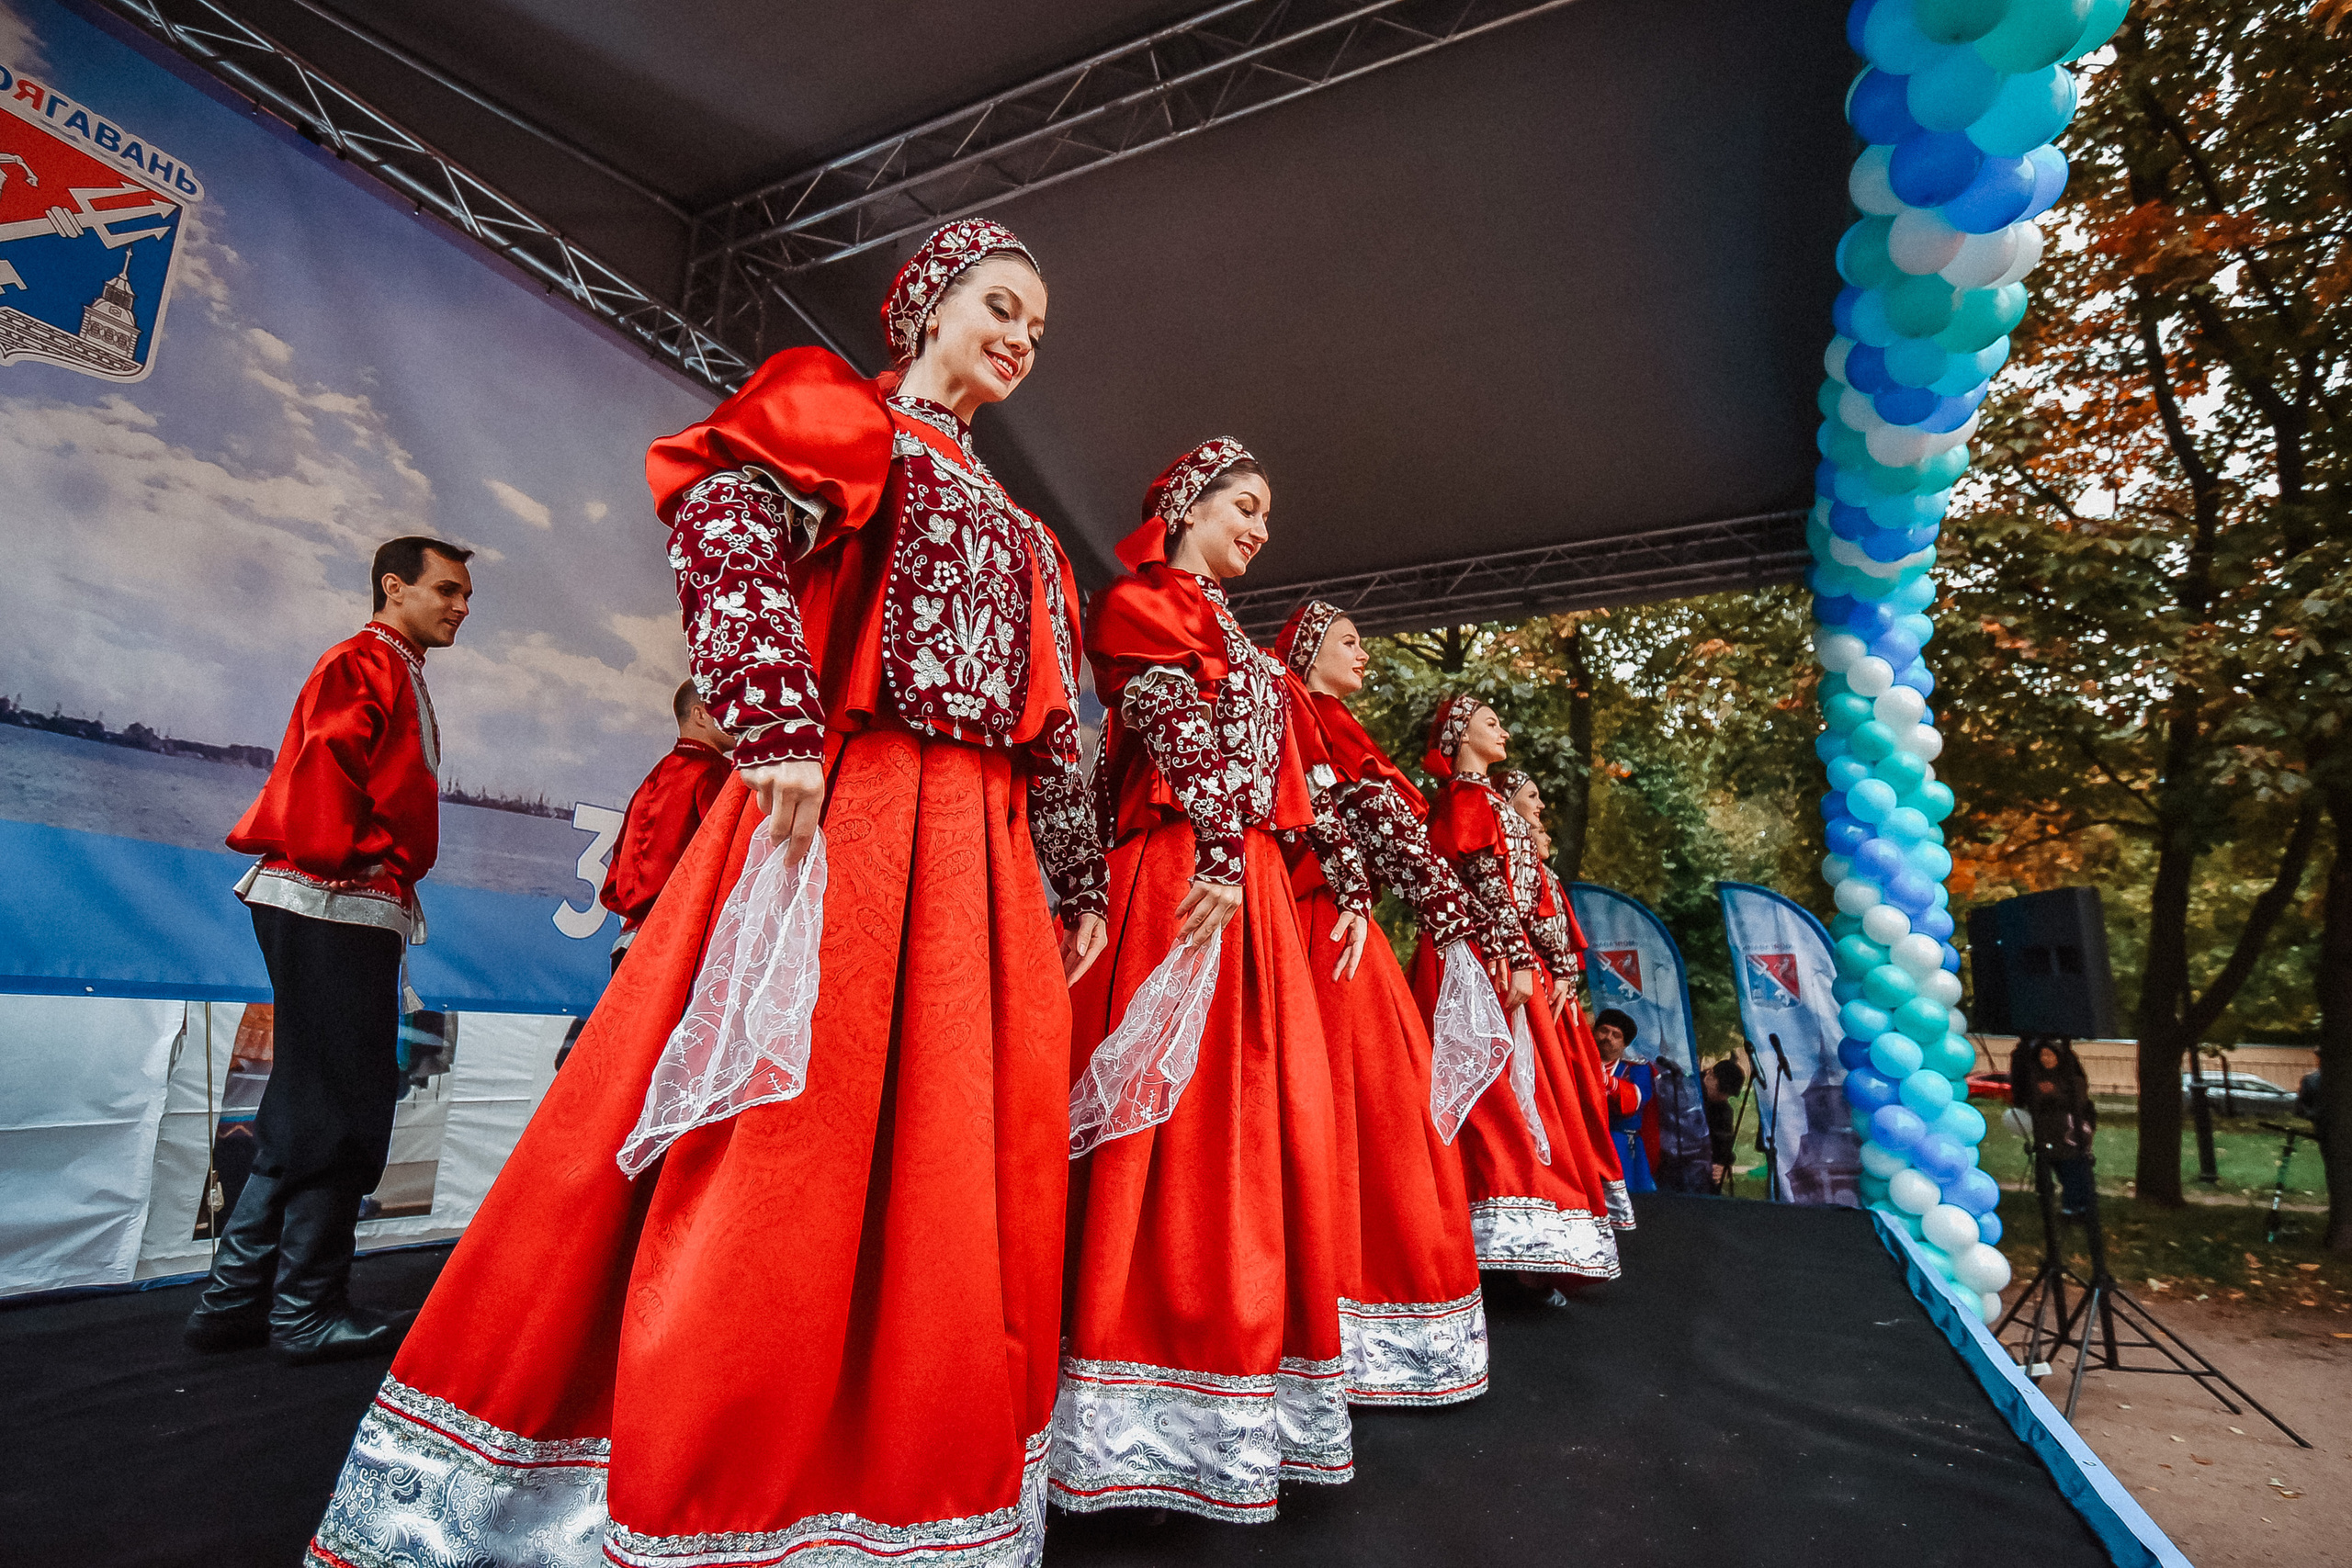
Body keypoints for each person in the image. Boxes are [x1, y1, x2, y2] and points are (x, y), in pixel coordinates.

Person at [307, 219, 1110, 1568]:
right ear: (923, 304)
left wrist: (1076, 870)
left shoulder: (1029, 535)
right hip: (844, 812)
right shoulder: (845, 416)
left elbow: (1060, 729)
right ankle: (700, 1463)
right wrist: (777, 718)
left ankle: (896, 1481)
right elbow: (721, 512)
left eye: (1039, 321)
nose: (1022, 333)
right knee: (780, 1127)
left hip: (970, 857)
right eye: (1000, 302)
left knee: (947, 1155)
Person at [1054, 441, 1364, 1521]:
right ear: (1185, 507)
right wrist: (1223, 856)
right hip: (1186, 876)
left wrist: (1262, 866)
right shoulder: (1144, 603)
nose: (1260, 527)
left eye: (1267, 513)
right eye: (1245, 505)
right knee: (1168, 1124)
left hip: (1245, 885)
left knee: (1246, 1122)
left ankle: (1229, 1378)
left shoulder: (1235, 634)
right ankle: (1114, 1377)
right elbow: (1160, 729)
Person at [187, 536, 473, 1367]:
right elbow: (325, 772)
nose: (459, 608)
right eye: (447, 590)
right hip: (334, 899)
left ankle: (235, 1298)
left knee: (319, 1097)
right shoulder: (362, 662)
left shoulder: (391, 666)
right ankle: (303, 1309)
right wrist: (346, 860)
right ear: (395, 586)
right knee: (341, 1103)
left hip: (344, 902)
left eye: (465, 597)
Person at [1273, 601, 1491, 1408]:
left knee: (1371, 1111)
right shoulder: (1315, 723)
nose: (1363, 652)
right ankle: (1340, 1308)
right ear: (1306, 652)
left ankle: (1340, 1315)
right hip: (1325, 924)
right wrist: (1444, 914)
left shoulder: (1332, 724)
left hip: (1333, 920)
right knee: (1365, 1109)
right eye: (1349, 641)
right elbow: (1377, 828)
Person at [1410, 699, 1622, 1284]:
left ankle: (1513, 1235)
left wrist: (1549, 960)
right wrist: (1520, 955)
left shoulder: (1485, 803)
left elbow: (1527, 894)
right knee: (1487, 1083)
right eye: (1489, 721)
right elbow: (1486, 881)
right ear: (1459, 734)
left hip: (1496, 953)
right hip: (1480, 955)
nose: (1502, 729)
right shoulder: (1467, 801)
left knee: (1511, 1084)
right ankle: (1488, 1233)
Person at [1491, 764, 1634, 1234]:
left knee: (1573, 1096)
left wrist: (1565, 976)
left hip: (1552, 991)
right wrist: (1557, 971)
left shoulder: (1541, 873)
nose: (1543, 819)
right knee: (1552, 1095)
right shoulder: (1518, 866)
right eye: (1532, 802)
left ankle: (1581, 1196)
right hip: (1532, 984)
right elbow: (1535, 925)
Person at [597, 680, 735, 971]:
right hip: (675, 947)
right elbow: (729, 856)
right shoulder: (715, 774)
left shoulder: (655, 776)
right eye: (727, 706)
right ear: (701, 714)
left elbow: (617, 871)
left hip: (628, 942)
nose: (739, 716)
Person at [2011, 1034, 2097, 1215]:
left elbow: (2079, 1100)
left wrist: (2055, 1093)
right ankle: (2054, 1201)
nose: (2046, 1059)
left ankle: (2075, 1207)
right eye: (2043, 1056)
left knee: (2073, 1168)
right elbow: (2026, 1098)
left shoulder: (2072, 1079)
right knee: (2054, 1166)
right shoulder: (2034, 1077)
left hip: (2069, 1132)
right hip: (2046, 1131)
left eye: (2050, 1055)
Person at [1592, 1009, 1656, 1195]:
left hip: (1618, 1145)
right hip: (1582, 1142)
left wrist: (1605, 1080)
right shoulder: (1577, 1063)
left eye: (1616, 1035)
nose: (1608, 1037)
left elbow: (1634, 1101)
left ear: (1624, 1044)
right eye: (1604, 1030)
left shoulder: (1637, 1071)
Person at [1705, 1056, 1747, 1192]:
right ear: (1710, 1074)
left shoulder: (1724, 1111)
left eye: (1727, 1094)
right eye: (1721, 1089)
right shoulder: (1685, 1091)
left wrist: (1722, 1166)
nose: (1723, 1096)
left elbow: (1724, 1147)